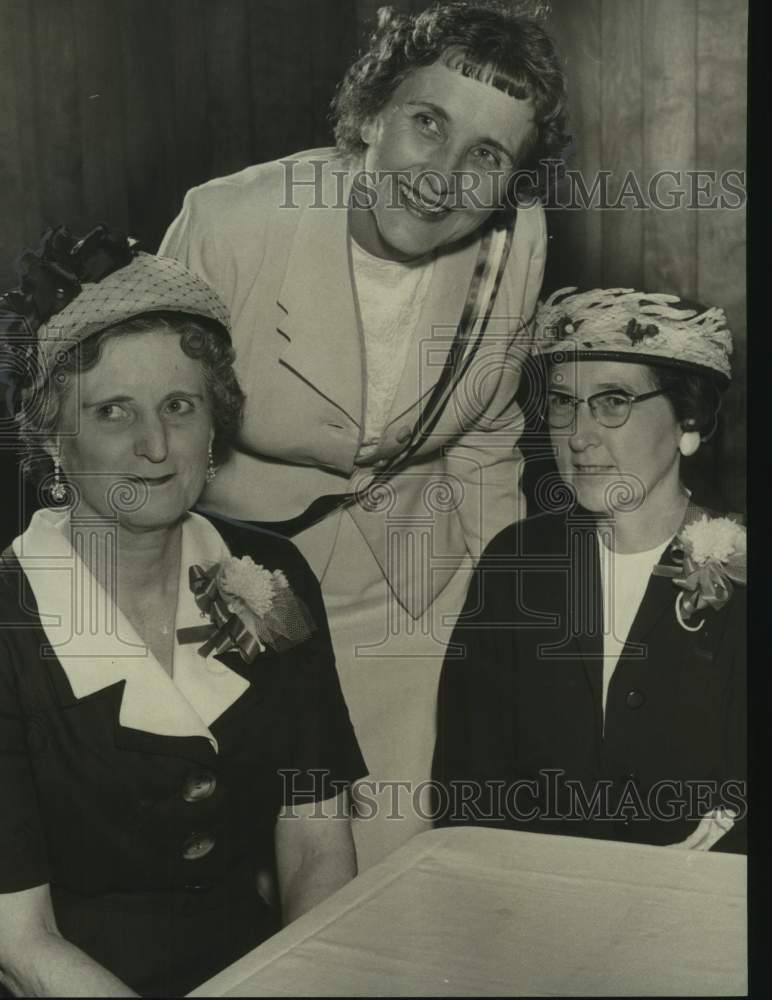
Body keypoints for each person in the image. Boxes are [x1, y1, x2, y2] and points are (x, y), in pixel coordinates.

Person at [159, 0, 568, 868]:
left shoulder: (516, 243)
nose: (447, 173)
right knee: (261, 875)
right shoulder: (231, 226)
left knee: (408, 865)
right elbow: (151, 433)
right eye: (428, 123)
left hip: (412, 582)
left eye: (488, 155)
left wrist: (503, 629)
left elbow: (490, 431)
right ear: (372, 112)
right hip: (232, 587)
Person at [0, 226, 367, 997]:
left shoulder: (273, 572)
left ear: (214, 424)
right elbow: (22, 943)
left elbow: (315, 840)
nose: (156, 445)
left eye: (178, 405)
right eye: (111, 413)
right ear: (51, 441)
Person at [432, 287, 746, 852]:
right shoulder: (517, 564)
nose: (578, 436)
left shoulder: (745, 569)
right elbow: (465, 784)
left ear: (689, 422)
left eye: (613, 402)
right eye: (562, 403)